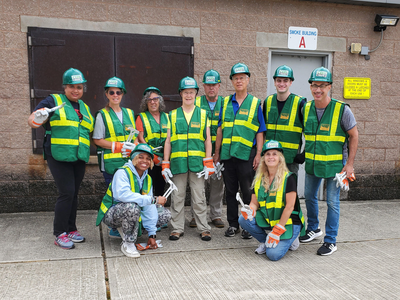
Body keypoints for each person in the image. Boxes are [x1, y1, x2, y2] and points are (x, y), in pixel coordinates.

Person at [28, 68, 94, 250]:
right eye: (71, 86)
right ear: (64, 87)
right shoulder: (53, 100)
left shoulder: (85, 107)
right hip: (58, 155)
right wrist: (40, 115)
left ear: (83, 89)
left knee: (73, 193)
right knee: (66, 193)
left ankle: (71, 229)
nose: (75, 90)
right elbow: (33, 120)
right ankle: (59, 233)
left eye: (79, 87)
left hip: (78, 156)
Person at [300, 67, 358, 256]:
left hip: (335, 167)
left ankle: (331, 241)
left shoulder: (343, 109)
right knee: (309, 197)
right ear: (310, 86)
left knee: (333, 203)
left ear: (329, 86)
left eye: (322, 86)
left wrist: (349, 164)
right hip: (313, 164)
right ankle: (314, 228)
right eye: (314, 85)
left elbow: (354, 136)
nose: (318, 89)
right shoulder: (306, 108)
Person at [214, 62, 266, 239]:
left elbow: (260, 131)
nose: (239, 81)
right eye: (235, 78)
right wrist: (217, 153)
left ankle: (247, 224)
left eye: (242, 78)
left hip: (246, 155)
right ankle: (233, 224)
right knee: (230, 191)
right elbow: (220, 129)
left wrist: (259, 153)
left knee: (247, 191)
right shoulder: (226, 102)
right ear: (232, 81)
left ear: (248, 80)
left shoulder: (255, 103)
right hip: (228, 155)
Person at [96, 144, 171, 258]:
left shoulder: (147, 178)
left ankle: (130, 229)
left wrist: (152, 234)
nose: (144, 161)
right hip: (111, 214)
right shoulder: (122, 172)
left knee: (164, 214)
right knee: (132, 207)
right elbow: (123, 195)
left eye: (148, 158)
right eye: (141, 157)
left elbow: (149, 206)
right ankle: (128, 243)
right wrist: (153, 199)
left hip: (132, 211)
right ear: (134, 158)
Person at [163, 76, 213, 241]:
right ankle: (177, 228)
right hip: (178, 164)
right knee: (177, 197)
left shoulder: (203, 114)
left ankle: (204, 228)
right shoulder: (172, 115)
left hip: (197, 164)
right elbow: (168, 141)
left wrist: (208, 163)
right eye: (185, 92)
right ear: (181, 94)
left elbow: (207, 140)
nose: (189, 95)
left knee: (199, 197)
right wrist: (165, 163)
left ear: (196, 94)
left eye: (191, 92)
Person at [239, 140, 305, 261]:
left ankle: (292, 239)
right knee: (243, 219)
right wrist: (250, 211)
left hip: (289, 222)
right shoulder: (259, 179)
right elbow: (254, 203)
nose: (271, 157)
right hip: (270, 219)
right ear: (263, 158)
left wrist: (278, 230)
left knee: (273, 255)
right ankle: (266, 241)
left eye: (274, 154)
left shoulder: (288, 178)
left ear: (280, 157)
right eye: (268, 154)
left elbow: (289, 207)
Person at [92, 77, 137, 238]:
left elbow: (135, 137)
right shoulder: (102, 115)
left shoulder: (130, 113)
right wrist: (117, 146)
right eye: (112, 92)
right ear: (107, 94)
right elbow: (97, 139)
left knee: (128, 195)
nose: (115, 95)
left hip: (128, 163)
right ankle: (113, 227)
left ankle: (126, 225)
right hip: (111, 164)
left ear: (122, 94)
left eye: (118, 92)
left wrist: (134, 147)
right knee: (114, 196)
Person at [189, 69, 225, 229]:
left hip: (219, 153)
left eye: (214, 85)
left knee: (217, 184)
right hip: (199, 152)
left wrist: (217, 153)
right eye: (208, 85)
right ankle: (195, 215)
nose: (211, 88)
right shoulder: (196, 103)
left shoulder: (225, 103)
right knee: (198, 185)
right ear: (203, 86)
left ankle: (216, 215)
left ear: (219, 86)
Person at [263, 65, 307, 174]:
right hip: (270, 159)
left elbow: (310, 133)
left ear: (291, 82)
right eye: (279, 80)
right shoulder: (268, 101)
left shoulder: (300, 103)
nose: (281, 84)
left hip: (290, 160)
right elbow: (262, 131)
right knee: (270, 190)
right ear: (274, 82)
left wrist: (304, 154)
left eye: (285, 80)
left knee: (289, 190)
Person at [136, 87, 169, 197]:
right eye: (149, 100)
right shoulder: (142, 117)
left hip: (165, 160)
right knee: (148, 188)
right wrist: (153, 157)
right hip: (149, 160)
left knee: (161, 188)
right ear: (145, 102)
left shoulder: (168, 117)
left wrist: (165, 159)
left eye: (155, 99)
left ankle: (159, 211)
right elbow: (140, 139)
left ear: (160, 101)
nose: (153, 102)